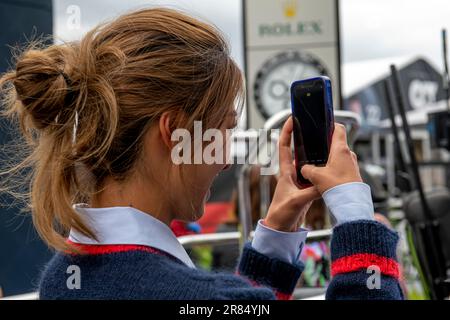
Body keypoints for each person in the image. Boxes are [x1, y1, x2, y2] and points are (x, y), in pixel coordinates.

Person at [0, 8, 403, 300]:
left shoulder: (64, 275)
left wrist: (277, 234)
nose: (225, 159)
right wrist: (356, 215)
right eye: (223, 130)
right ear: (174, 132)